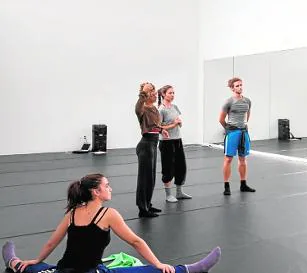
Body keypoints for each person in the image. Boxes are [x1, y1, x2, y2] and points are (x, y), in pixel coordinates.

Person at [2, 174, 221, 273]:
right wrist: (158, 264)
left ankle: (13, 262)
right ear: (96, 192)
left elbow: (51, 243)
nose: (111, 188)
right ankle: (188, 270)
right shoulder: (109, 214)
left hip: (63, 270)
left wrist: (36, 259)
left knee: (34, 268)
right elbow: (136, 242)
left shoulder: (71, 213)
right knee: (145, 272)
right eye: (107, 185)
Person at [135, 82, 169, 218]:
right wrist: (143, 92)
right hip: (146, 145)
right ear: (147, 95)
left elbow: (153, 125)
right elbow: (137, 108)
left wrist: (161, 130)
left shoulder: (154, 109)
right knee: (144, 179)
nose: (155, 96)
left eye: (156, 94)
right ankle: (142, 209)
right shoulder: (142, 108)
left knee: (151, 177)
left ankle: (147, 204)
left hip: (153, 143)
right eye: (153, 94)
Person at [218, 77, 256, 196]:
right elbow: (221, 119)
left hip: (244, 132)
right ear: (232, 88)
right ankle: (226, 186)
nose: (240, 87)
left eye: (241, 85)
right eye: (237, 86)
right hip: (232, 132)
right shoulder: (228, 102)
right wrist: (229, 130)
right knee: (228, 159)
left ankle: (243, 184)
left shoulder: (247, 101)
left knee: (243, 159)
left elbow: (247, 116)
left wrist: (243, 125)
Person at [157, 85, 192, 203]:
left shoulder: (175, 107)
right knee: (168, 168)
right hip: (166, 142)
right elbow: (159, 127)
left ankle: (179, 192)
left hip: (177, 139)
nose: (172, 95)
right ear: (163, 94)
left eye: (173, 93)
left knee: (181, 166)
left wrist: (179, 123)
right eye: (170, 93)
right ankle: (168, 195)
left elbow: (177, 121)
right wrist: (174, 124)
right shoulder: (161, 110)